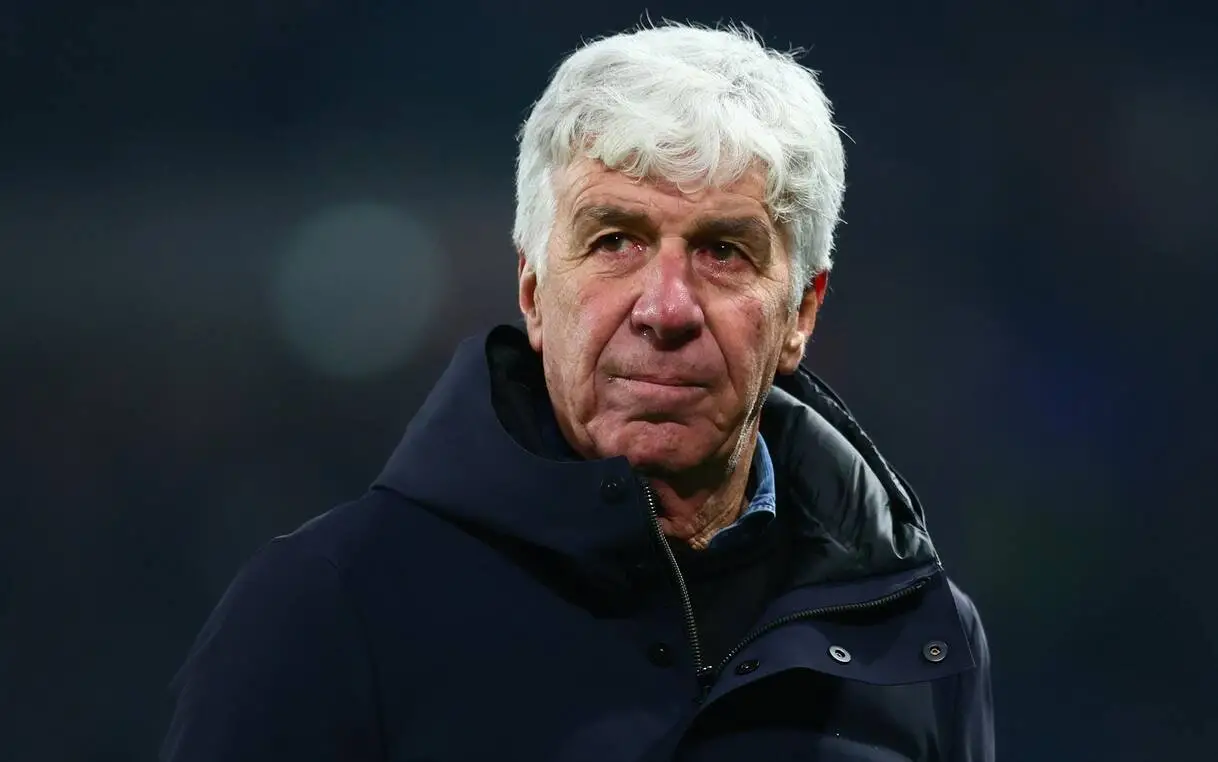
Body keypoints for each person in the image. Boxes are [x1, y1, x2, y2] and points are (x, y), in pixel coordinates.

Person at [162, 21, 994, 762]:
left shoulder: (915, 637)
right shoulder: (330, 609)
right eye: (615, 241)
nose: (666, 309)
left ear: (801, 314)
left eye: (724, 252)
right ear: (531, 291)